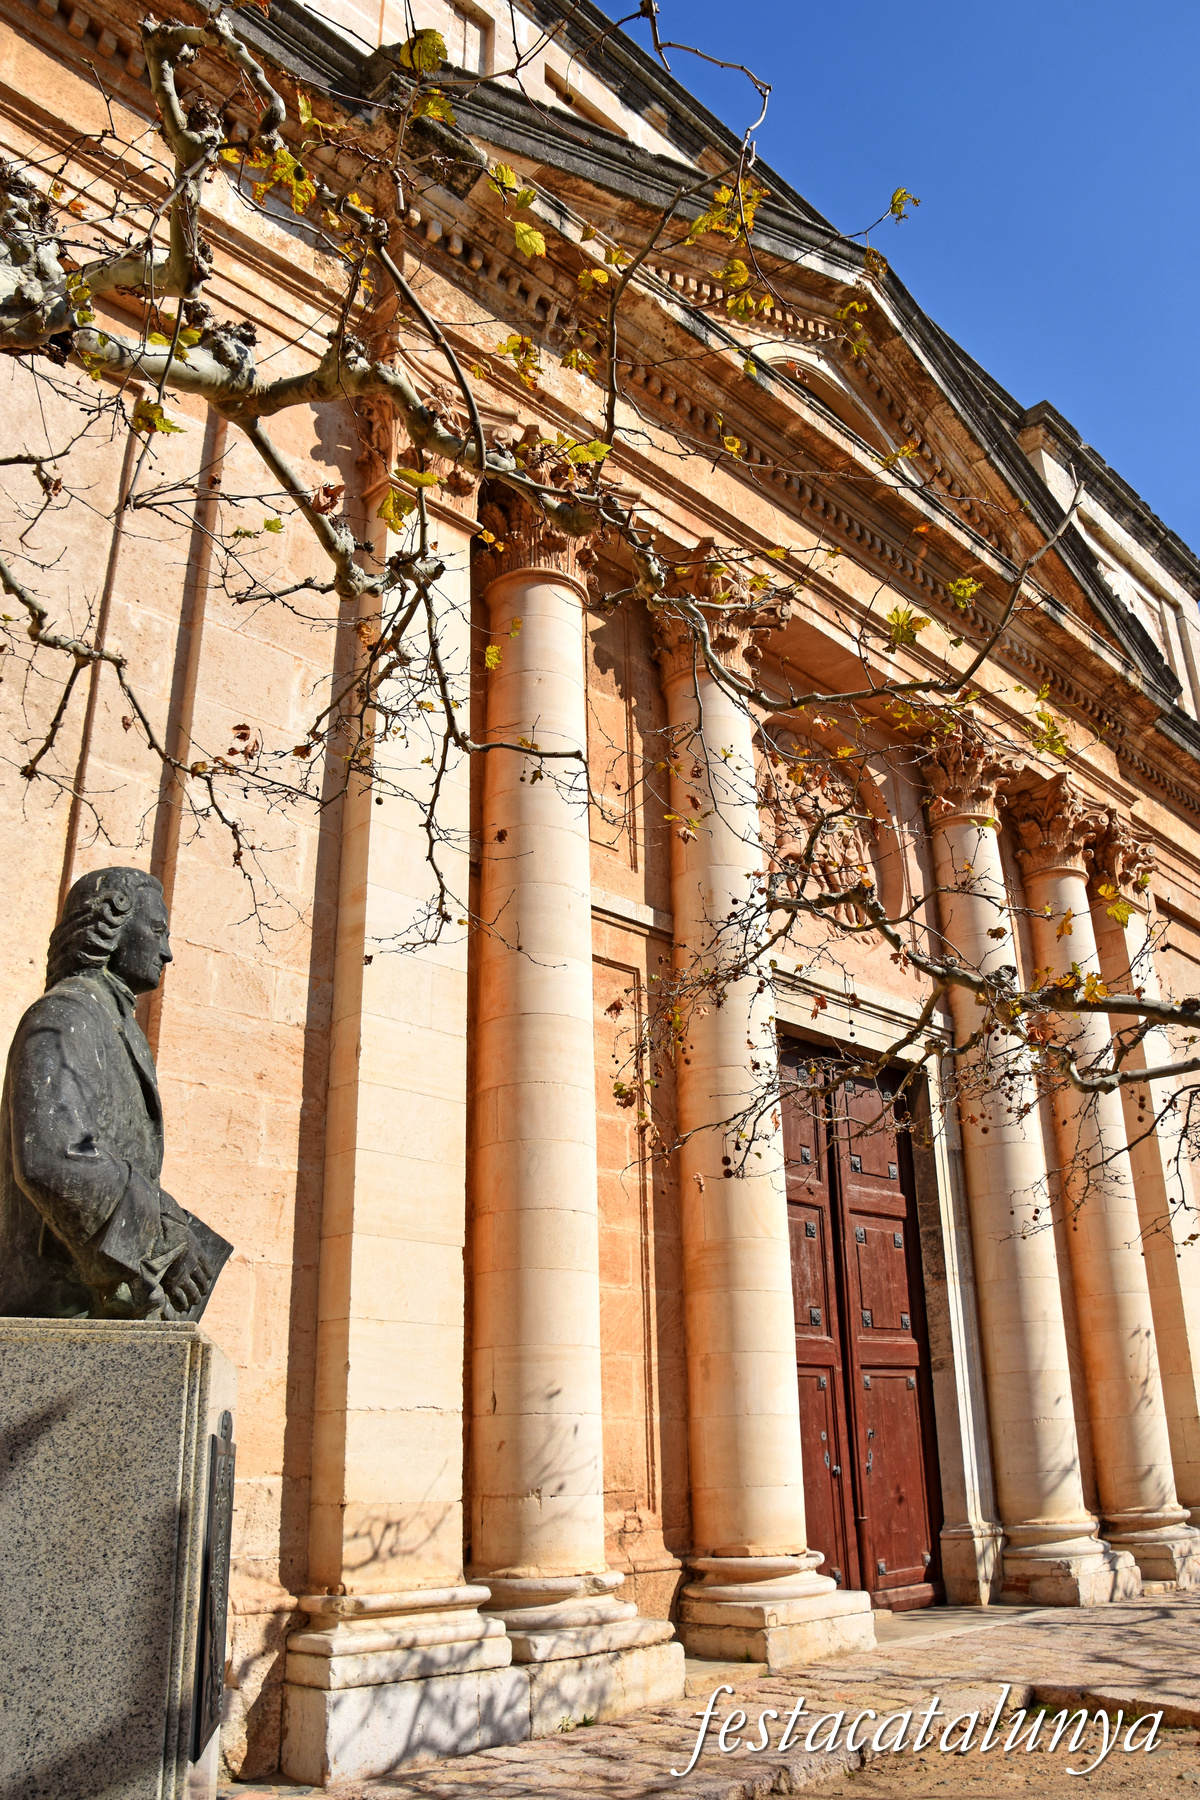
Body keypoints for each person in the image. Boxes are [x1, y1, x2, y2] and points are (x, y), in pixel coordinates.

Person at [0, 866, 232, 1319]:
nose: (166, 953)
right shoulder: (65, 1015)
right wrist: (162, 1240)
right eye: (157, 931)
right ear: (110, 928)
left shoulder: (110, 1020)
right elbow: (54, 1156)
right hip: (57, 1309)